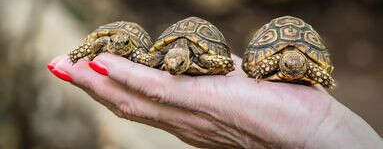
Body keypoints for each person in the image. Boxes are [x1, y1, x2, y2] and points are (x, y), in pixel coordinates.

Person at [47, 53, 383, 149]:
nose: (290, 67)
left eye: (296, 66)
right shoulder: (172, 57)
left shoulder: (295, 64)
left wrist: (321, 131)